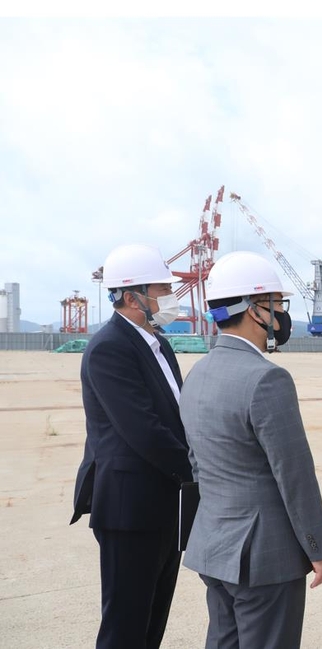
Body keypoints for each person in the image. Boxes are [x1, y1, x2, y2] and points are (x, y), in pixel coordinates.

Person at [179, 251, 322, 648]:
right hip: (265, 558)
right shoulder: (267, 378)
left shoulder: (198, 373)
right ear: (254, 310)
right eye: (277, 304)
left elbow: (197, 462)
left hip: (214, 546)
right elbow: (294, 474)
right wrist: (318, 548)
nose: (281, 314)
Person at [71, 243, 192, 648]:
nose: (168, 296)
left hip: (163, 504)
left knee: (153, 619)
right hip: (130, 508)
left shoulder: (156, 341)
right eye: (161, 288)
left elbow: (176, 412)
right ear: (131, 295)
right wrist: (199, 467)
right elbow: (144, 430)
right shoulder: (110, 348)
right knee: (125, 626)